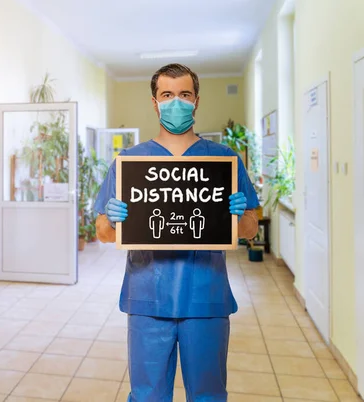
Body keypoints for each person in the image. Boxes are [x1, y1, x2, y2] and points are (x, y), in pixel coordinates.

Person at [94, 63, 259, 402]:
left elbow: (250, 229)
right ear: (155, 103)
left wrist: (239, 214)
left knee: (208, 395)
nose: (176, 102)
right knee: (147, 396)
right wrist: (112, 221)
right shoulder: (130, 163)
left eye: (184, 94)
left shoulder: (223, 161)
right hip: (147, 297)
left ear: (196, 101)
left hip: (206, 297)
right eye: (167, 95)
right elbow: (103, 233)